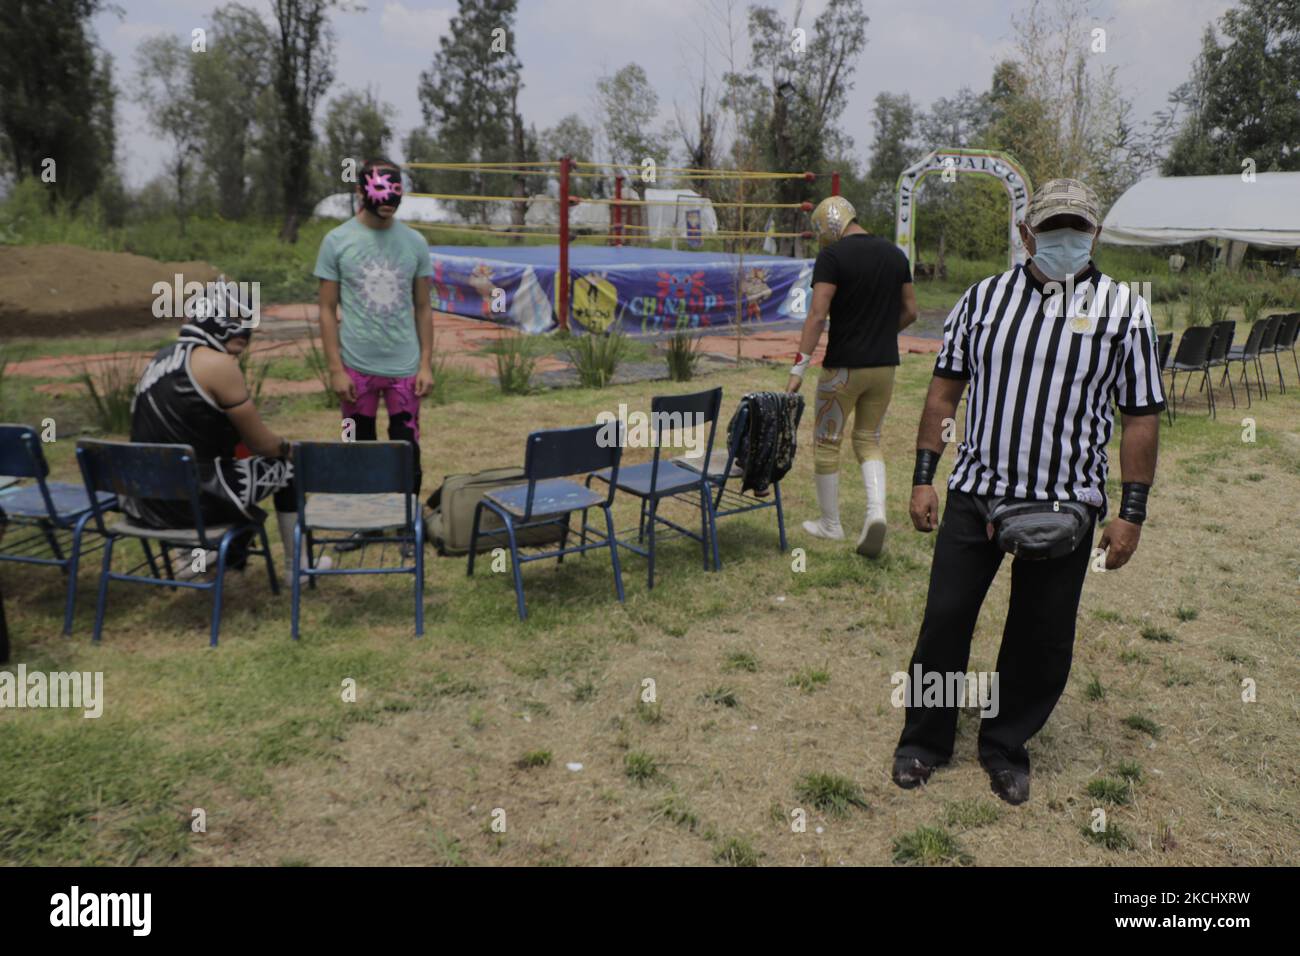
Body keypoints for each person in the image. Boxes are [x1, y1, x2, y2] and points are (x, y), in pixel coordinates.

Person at [892, 178, 1164, 805]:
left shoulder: (1125, 312)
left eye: (1077, 228)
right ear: (1025, 234)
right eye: (1051, 228)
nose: (1065, 239)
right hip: (978, 493)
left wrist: (1132, 512)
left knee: (1041, 635)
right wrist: (924, 475)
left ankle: (1006, 744)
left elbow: (1141, 415)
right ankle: (924, 741)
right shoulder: (982, 301)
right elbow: (943, 393)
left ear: (1094, 234)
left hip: (1066, 503)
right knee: (945, 621)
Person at [126, 284, 329, 578]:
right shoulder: (217, 364)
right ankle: (298, 568)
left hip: (145, 498)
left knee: (228, 464)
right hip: (194, 501)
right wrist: (288, 448)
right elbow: (262, 444)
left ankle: (192, 557)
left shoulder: (160, 358)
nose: (246, 330)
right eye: (236, 317)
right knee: (288, 468)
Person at [786, 195, 918, 557]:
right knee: (869, 439)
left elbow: (816, 315)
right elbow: (911, 311)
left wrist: (798, 368)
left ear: (828, 224)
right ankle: (875, 514)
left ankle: (831, 524)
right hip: (884, 367)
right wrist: (881, 334)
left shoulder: (832, 257)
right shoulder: (895, 254)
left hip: (843, 368)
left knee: (828, 442)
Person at [314, 157, 433, 553]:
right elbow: (327, 310)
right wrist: (335, 369)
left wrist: (426, 363)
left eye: (394, 199)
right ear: (361, 192)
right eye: (382, 198)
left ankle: (403, 524)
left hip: (403, 367)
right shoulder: (336, 241)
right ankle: (366, 524)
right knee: (357, 444)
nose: (389, 206)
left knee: (406, 446)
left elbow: (423, 308)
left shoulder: (415, 242)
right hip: (356, 367)